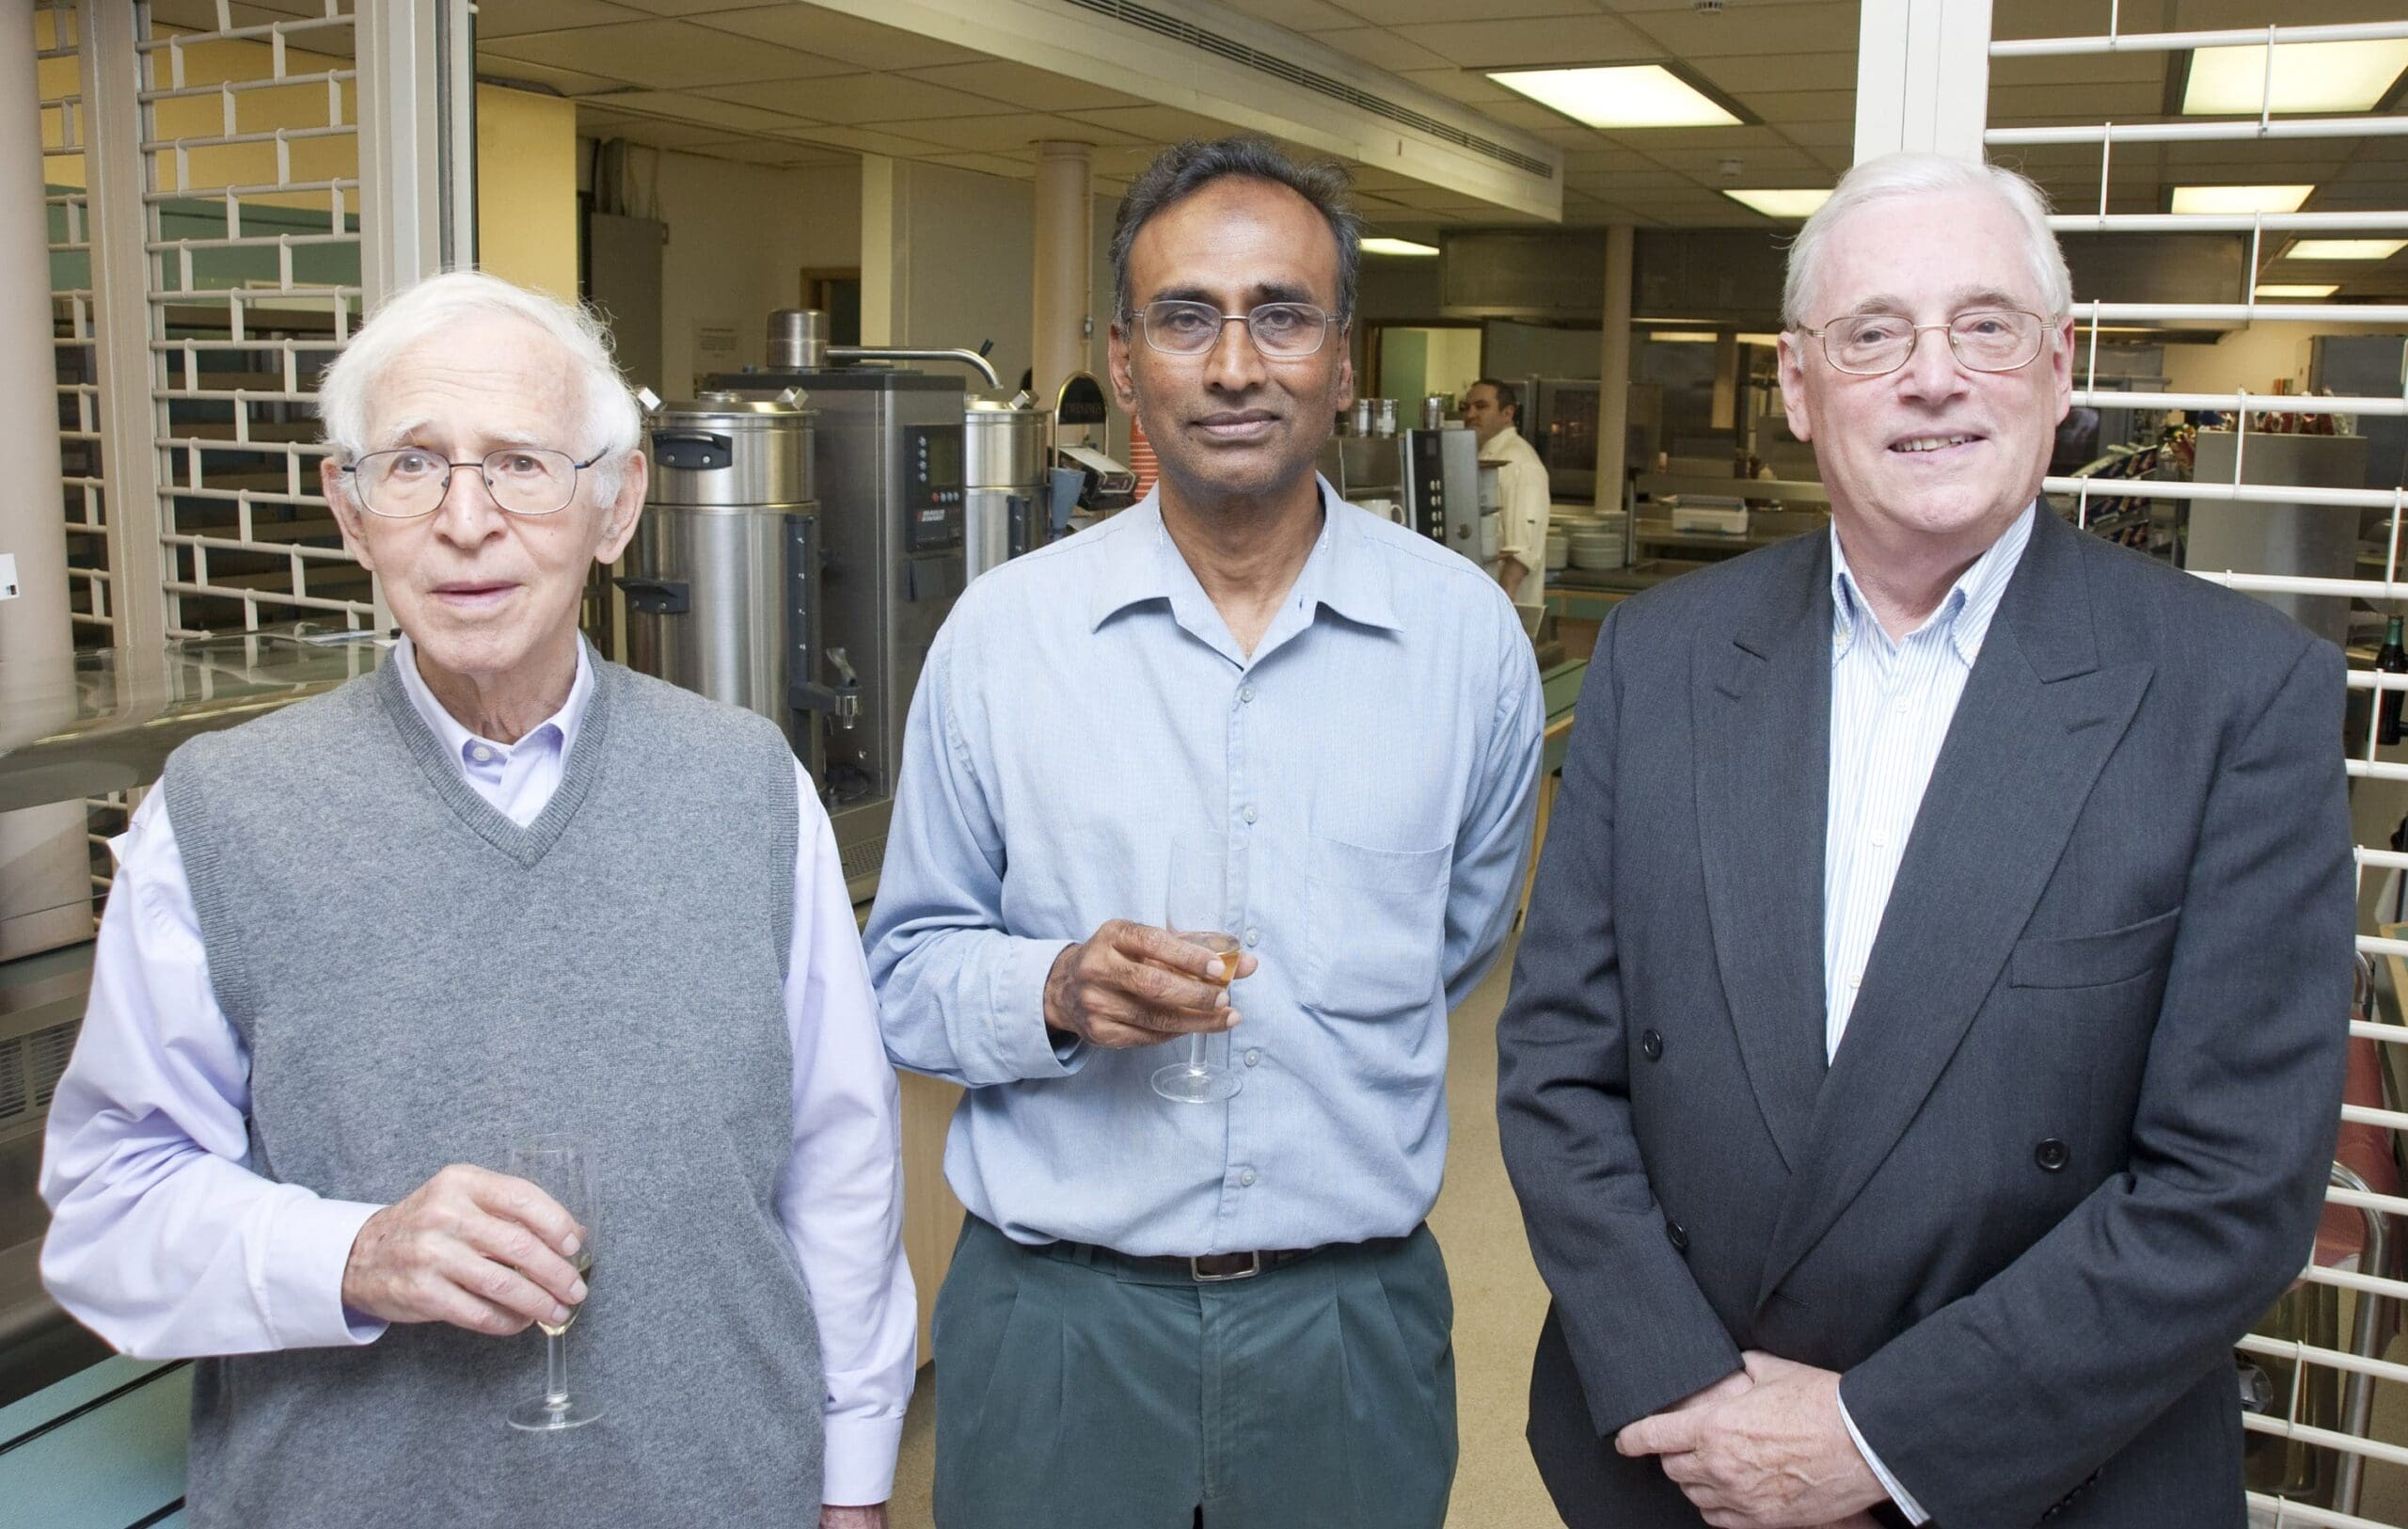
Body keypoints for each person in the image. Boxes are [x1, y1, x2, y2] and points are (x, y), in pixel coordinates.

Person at [1496, 151, 2353, 1529]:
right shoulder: (1662, 661)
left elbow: (2231, 1189)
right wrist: (1696, 1396)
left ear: (2060, 369)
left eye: (1986, 325)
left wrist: (1873, 1436)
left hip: (2048, 1479)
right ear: (1796, 386)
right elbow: (1555, 1068)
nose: (1933, 376)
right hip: (1679, 1469)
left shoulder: (2234, 695)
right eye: (1875, 332)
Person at [40, 271, 914, 1529]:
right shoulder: (219, 815)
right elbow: (110, 1211)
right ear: (351, 512)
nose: (465, 519)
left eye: (519, 463)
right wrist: (355, 1255)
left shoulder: (748, 789)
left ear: (614, 505)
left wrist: (853, 1479)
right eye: (412, 465)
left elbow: (839, 1166)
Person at [866, 135, 1542, 1529]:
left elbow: (1457, 947)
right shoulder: (1004, 639)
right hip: (1057, 1330)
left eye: (1282, 313)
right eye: (1187, 317)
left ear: (1344, 359)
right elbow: (906, 969)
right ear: (1125, 362)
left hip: (1346, 1334)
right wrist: (1050, 989)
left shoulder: (1462, 639)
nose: (1235, 364)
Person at [1463, 377, 1552, 610]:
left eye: (1481, 406)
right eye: (1467, 407)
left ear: (1507, 413)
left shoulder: (1520, 461)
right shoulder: (1486, 454)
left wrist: (1500, 609)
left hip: (1509, 608)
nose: (1470, 414)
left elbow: (1522, 549)